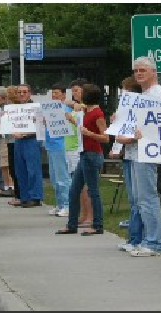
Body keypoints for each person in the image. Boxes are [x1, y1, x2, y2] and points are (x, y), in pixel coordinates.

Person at [115, 57, 161, 257]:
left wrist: (134, 135)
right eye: (136, 70)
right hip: (135, 151)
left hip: (146, 151)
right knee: (138, 199)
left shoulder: (156, 94)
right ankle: (141, 238)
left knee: (147, 197)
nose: (138, 73)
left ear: (154, 72)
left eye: (143, 70)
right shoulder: (141, 94)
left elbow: (156, 125)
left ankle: (154, 241)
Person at [56, 83, 109, 235]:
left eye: (82, 92)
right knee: (74, 190)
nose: (79, 95)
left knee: (93, 191)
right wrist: (72, 120)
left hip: (93, 154)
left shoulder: (97, 114)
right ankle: (71, 224)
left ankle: (97, 224)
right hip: (84, 153)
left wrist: (89, 134)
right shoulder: (85, 111)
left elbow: (105, 137)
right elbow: (78, 117)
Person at [111, 76, 143, 253]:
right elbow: (119, 133)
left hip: (137, 155)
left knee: (139, 199)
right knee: (133, 199)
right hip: (127, 155)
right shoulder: (125, 110)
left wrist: (127, 138)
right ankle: (133, 237)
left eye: (125, 91)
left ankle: (138, 237)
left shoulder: (139, 109)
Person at [63, 78, 93, 227]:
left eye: (77, 90)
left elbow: (84, 126)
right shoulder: (74, 108)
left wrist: (72, 119)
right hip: (70, 146)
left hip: (79, 147)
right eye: (72, 90)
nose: (74, 93)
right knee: (77, 185)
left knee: (84, 185)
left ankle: (90, 216)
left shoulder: (84, 107)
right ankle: (83, 214)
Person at [13, 84, 44, 208]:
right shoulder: (14, 109)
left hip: (32, 140)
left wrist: (26, 133)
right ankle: (24, 196)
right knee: (20, 169)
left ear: (29, 93)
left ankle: (35, 197)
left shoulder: (36, 108)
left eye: (24, 92)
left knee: (33, 169)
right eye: (19, 92)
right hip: (18, 141)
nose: (22, 94)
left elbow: (40, 126)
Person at [44, 83, 72, 217]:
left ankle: (67, 205)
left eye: (57, 93)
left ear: (63, 95)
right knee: (54, 178)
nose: (54, 95)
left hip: (61, 145)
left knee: (63, 177)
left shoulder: (67, 108)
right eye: (53, 93)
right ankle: (60, 204)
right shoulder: (49, 109)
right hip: (50, 145)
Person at [0, 86, 15, 198]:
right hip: (0, 137)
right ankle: (6, 186)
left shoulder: (7, 107)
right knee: (2, 164)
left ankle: (11, 186)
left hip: (6, 138)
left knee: (6, 163)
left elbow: (8, 124)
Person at [6, 86, 22, 205]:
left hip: (16, 140)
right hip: (10, 139)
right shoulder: (8, 108)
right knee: (12, 168)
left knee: (16, 168)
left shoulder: (18, 108)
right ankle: (18, 194)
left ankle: (20, 194)